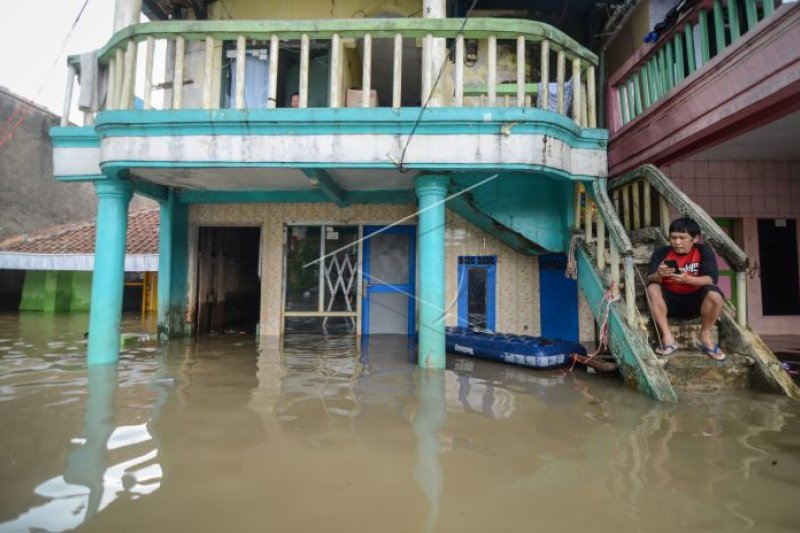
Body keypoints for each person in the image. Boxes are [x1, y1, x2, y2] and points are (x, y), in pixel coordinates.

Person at [645, 216, 726, 360]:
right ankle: (668, 338)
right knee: (652, 288)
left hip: (695, 303)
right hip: (669, 303)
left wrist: (688, 279)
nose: (677, 242)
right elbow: (648, 279)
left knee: (715, 295)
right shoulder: (662, 253)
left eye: (682, 238)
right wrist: (658, 274)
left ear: (695, 239)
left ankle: (705, 337)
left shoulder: (703, 251)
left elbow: (711, 279)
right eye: (673, 238)